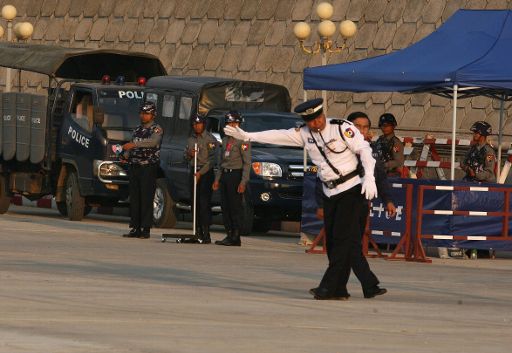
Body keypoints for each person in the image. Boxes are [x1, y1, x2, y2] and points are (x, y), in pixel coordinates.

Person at [225, 98, 386, 300]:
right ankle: (340, 289)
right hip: (330, 193)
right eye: (309, 121)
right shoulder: (305, 133)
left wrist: (369, 178)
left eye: (317, 119)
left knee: (343, 240)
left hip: (351, 189)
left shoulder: (341, 128)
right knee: (335, 243)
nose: (314, 124)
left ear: (322, 115)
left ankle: (327, 287)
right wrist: (248, 136)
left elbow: (365, 151)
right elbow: (278, 135)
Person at [122, 102, 163, 239]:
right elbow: (131, 146)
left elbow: (152, 142)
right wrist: (125, 155)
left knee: (146, 197)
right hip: (134, 166)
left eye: (146, 113)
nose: (143, 116)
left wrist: (134, 144)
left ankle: (146, 229)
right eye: (142, 113)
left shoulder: (156, 129)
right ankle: (135, 227)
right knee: (135, 198)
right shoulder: (137, 129)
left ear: (153, 114)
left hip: (148, 167)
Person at [213, 111, 251, 247]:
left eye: (234, 123)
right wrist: (217, 180)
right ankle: (229, 234)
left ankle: (236, 235)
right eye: (229, 123)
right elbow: (220, 163)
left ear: (239, 125)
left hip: (236, 175)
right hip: (225, 176)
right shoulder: (224, 140)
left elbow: (247, 163)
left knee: (235, 207)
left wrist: (243, 182)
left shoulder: (243, 140)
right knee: (225, 206)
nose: (232, 126)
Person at [184, 114, 218, 244]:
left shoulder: (210, 139)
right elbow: (185, 157)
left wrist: (200, 173)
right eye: (194, 124)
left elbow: (212, 160)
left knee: (204, 203)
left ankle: (206, 232)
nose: (196, 126)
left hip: (205, 173)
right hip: (193, 170)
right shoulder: (190, 139)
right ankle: (196, 231)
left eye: (199, 124)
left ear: (204, 124)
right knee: (194, 202)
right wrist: (189, 154)